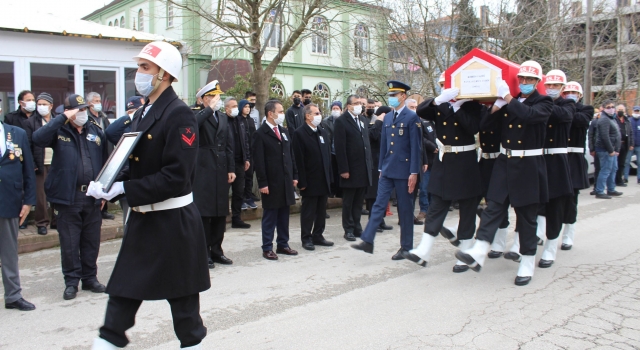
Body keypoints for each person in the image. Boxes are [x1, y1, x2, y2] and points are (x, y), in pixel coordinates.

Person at [87, 41, 210, 349]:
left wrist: (125, 188)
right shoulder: (145, 111)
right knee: (121, 297)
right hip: (145, 221)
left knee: (185, 314)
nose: (138, 73)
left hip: (173, 223)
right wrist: (109, 185)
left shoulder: (179, 115)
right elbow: (138, 164)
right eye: (139, 66)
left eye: (145, 67)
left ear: (164, 74)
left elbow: (176, 177)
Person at [455, 61, 553, 286]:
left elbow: (529, 116)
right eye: (522, 79)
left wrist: (508, 98)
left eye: (529, 80)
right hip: (505, 161)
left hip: (528, 164)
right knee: (493, 207)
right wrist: (496, 106)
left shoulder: (544, 101)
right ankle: (479, 249)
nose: (525, 83)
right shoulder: (511, 101)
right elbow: (485, 125)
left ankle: (527, 261)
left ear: (537, 81)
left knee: (527, 216)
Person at [32, 94, 109, 300]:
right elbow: (37, 139)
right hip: (68, 196)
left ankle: (90, 278)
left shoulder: (95, 130)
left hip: (91, 196)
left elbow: (104, 161)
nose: (82, 113)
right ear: (68, 112)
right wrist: (61, 119)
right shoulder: (59, 130)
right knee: (69, 241)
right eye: (78, 110)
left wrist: (103, 193)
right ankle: (71, 282)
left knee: (91, 240)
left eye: (84, 109)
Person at [406, 79, 484, 272]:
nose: (445, 88)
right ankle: (423, 250)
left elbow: (473, 127)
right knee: (436, 206)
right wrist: (438, 100)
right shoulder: (440, 104)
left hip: (465, 160)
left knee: (467, 209)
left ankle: (464, 251)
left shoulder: (474, 106)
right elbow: (422, 112)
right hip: (445, 161)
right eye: (442, 85)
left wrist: (457, 108)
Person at [352, 81, 422, 259]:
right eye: (390, 95)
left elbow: (416, 147)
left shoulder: (412, 118)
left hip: (405, 171)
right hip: (388, 169)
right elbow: (384, 144)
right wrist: (382, 166)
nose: (391, 98)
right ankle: (368, 240)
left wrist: (414, 172)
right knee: (378, 205)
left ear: (403, 96)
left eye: (394, 95)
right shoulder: (388, 117)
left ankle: (406, 247)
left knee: (405, 210)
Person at [534, 70, 575, 269]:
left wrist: (543, 103)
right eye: (548, 85)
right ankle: (533, 239)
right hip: (539, 159)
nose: (551, 89)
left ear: (562, 88)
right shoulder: (540, 101)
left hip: (558, 161)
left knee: (556, 208)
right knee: (537, 204)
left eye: (555, 86)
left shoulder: (567, 104)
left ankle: (550, 249)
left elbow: (563, 115)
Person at [193, 81, 236, 268]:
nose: (217, 100)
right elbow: (193, 126)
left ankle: (217, 250)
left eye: (218, 96)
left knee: (220, 213)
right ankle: (204, 253)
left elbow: (229, 144)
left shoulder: (223, 118)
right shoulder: (196, 114)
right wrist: (207, 109)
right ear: (203, 99)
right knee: (205, 214)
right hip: (203, 168)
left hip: (220, 168)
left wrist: (231, 168)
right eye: (213, 96)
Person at [252, 100, 299, 260]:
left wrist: (294, 176)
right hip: (271, 183)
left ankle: (283, 244)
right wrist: (263, 183)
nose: (282, 114)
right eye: (280, 111)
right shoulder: (260, 134)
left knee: (284, 215)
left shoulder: (284, 131)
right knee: (270, 216)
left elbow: (291, 155)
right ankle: (267, 247)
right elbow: (259, 161)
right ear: (270, 114)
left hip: (285, 181)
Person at [0, 120, 37, 311]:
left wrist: (29, 201)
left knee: (9, 252)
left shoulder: (17, 133)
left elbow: (28, 170)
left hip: (9, 200)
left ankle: (13, 295)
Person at [292, 103, 334, 250]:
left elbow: (327, 157)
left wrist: (330, 178)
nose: (319, 115)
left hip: (323, 179)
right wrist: (301, 180)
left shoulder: (322, 132)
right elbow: (299, 159)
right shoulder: (300, 133)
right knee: (309, 211)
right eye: (316, 113)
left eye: (319, 113)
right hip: (309, 180)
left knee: (322, 210)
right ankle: (306, 238)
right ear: (307, 116)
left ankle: (318, 235)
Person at [560, 82, 594, 250]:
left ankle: (568, 234)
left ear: (579, 95)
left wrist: (567, 108)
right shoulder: (558, 107)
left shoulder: (586, 109)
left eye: (574, 92)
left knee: (571, 199)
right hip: (559, 157)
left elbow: (579, 120)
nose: (570, 95)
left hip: (574, 158)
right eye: (567, 92)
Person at [334, 95, 373, 241]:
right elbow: (340, 147)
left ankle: (357, 226)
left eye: (360, 103)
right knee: (349, 202)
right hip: (350, 169)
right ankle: (348, 229)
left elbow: (366, 144)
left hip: (363, 168)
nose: (359, 106)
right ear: (349, 106)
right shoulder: (341, 122)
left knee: (358, 201)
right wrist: (344, 169)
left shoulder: (362, 120)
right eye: (356, 103)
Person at [104, 96, 144, 223]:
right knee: (129, 220)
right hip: (129, 176)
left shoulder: (148, 125)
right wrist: (130, 117)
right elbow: (110, 132)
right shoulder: (125, 128)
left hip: (146, 180)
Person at [25, 92, 57, 235]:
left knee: (56, 192)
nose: (41, 107)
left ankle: (56, 220)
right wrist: (32, 163)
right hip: (40, 163)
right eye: (39, 104)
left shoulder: (57, 120)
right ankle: (42, 222)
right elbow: (27, 145)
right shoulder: (31, 122)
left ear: (51, 106)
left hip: (56, 162)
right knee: (41, 195)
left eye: (44, 104)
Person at [86, 92, 115, 221]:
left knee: (105, 180)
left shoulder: (103, 117)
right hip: (94, 153)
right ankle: (94, 207)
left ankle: (104, 209)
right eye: (96, 101)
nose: (98, 103)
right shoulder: (86, 118)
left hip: (105, 152)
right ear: (89, 103)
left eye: (99, 100)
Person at [365, 106, 394, 232]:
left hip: (385, 165)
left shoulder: (387, 126)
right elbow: (372, 136)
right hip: (374, 165)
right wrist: (378, 121)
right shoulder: (373, 124)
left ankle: (380, 220)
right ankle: (373, 222)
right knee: (373, 196)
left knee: (383, 195)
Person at [225, 97, 252, 229]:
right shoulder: (223, 121)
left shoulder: (240, 121)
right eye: (233, 106)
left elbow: (245, 140)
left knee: (239, 191)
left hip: (240, 162)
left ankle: (237, 218)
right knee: (224, 192)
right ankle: (222, 219)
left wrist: (246, 158)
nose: (236, 108)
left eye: (237, 105)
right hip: (226, 163)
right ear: (226, 108)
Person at [594, 100, 623, 199]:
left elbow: (616, 134)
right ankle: (599, 191)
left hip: (612, 149)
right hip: (605, 149)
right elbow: (604, 136)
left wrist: (616, 149)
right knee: (605, 170)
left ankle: (611, 189)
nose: (611, 109)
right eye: (608, 107)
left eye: (612, 107)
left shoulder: (612, 118)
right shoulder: (604, 119)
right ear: (603, 108)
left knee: (613, 169)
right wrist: (610, 150)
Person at [237, 99, 258, 209]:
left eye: (249, 107)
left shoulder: (250, 121)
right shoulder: (238, 120)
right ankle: (241, 200)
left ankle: (248, 197)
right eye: (245, 107)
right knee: (242, 178)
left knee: (249, 176)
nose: (247, 109)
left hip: (251, 152)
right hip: (242, 153)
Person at [321, 101, 342, 198]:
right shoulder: (326, 121)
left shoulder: (343, 120)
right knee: (332, 172)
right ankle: (332, 190)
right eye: (334, 108)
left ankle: (340, 191)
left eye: (337, 108)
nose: (335, 110)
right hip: (331, 151)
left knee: (340, 172)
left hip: (340, 151)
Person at [615, 104, 633, 186]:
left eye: (622, 109)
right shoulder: (614, 120)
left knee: (622, 163)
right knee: (615, 163)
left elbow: (631, 133)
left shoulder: (627, 121)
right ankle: (613, 180)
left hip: (625, 144)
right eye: (619, 109)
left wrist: (631, 143)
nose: (621, 111)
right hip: (616, 144)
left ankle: (619, 180)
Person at [627, 106, 640, 184]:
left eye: (638, 111)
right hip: (630, 145)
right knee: (627, 162)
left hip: (639, 145)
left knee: (639, 162)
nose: (636, 112)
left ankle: (639, 178)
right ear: (633, 111)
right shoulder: (629, 121)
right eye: (635, 111)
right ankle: (625, 178)